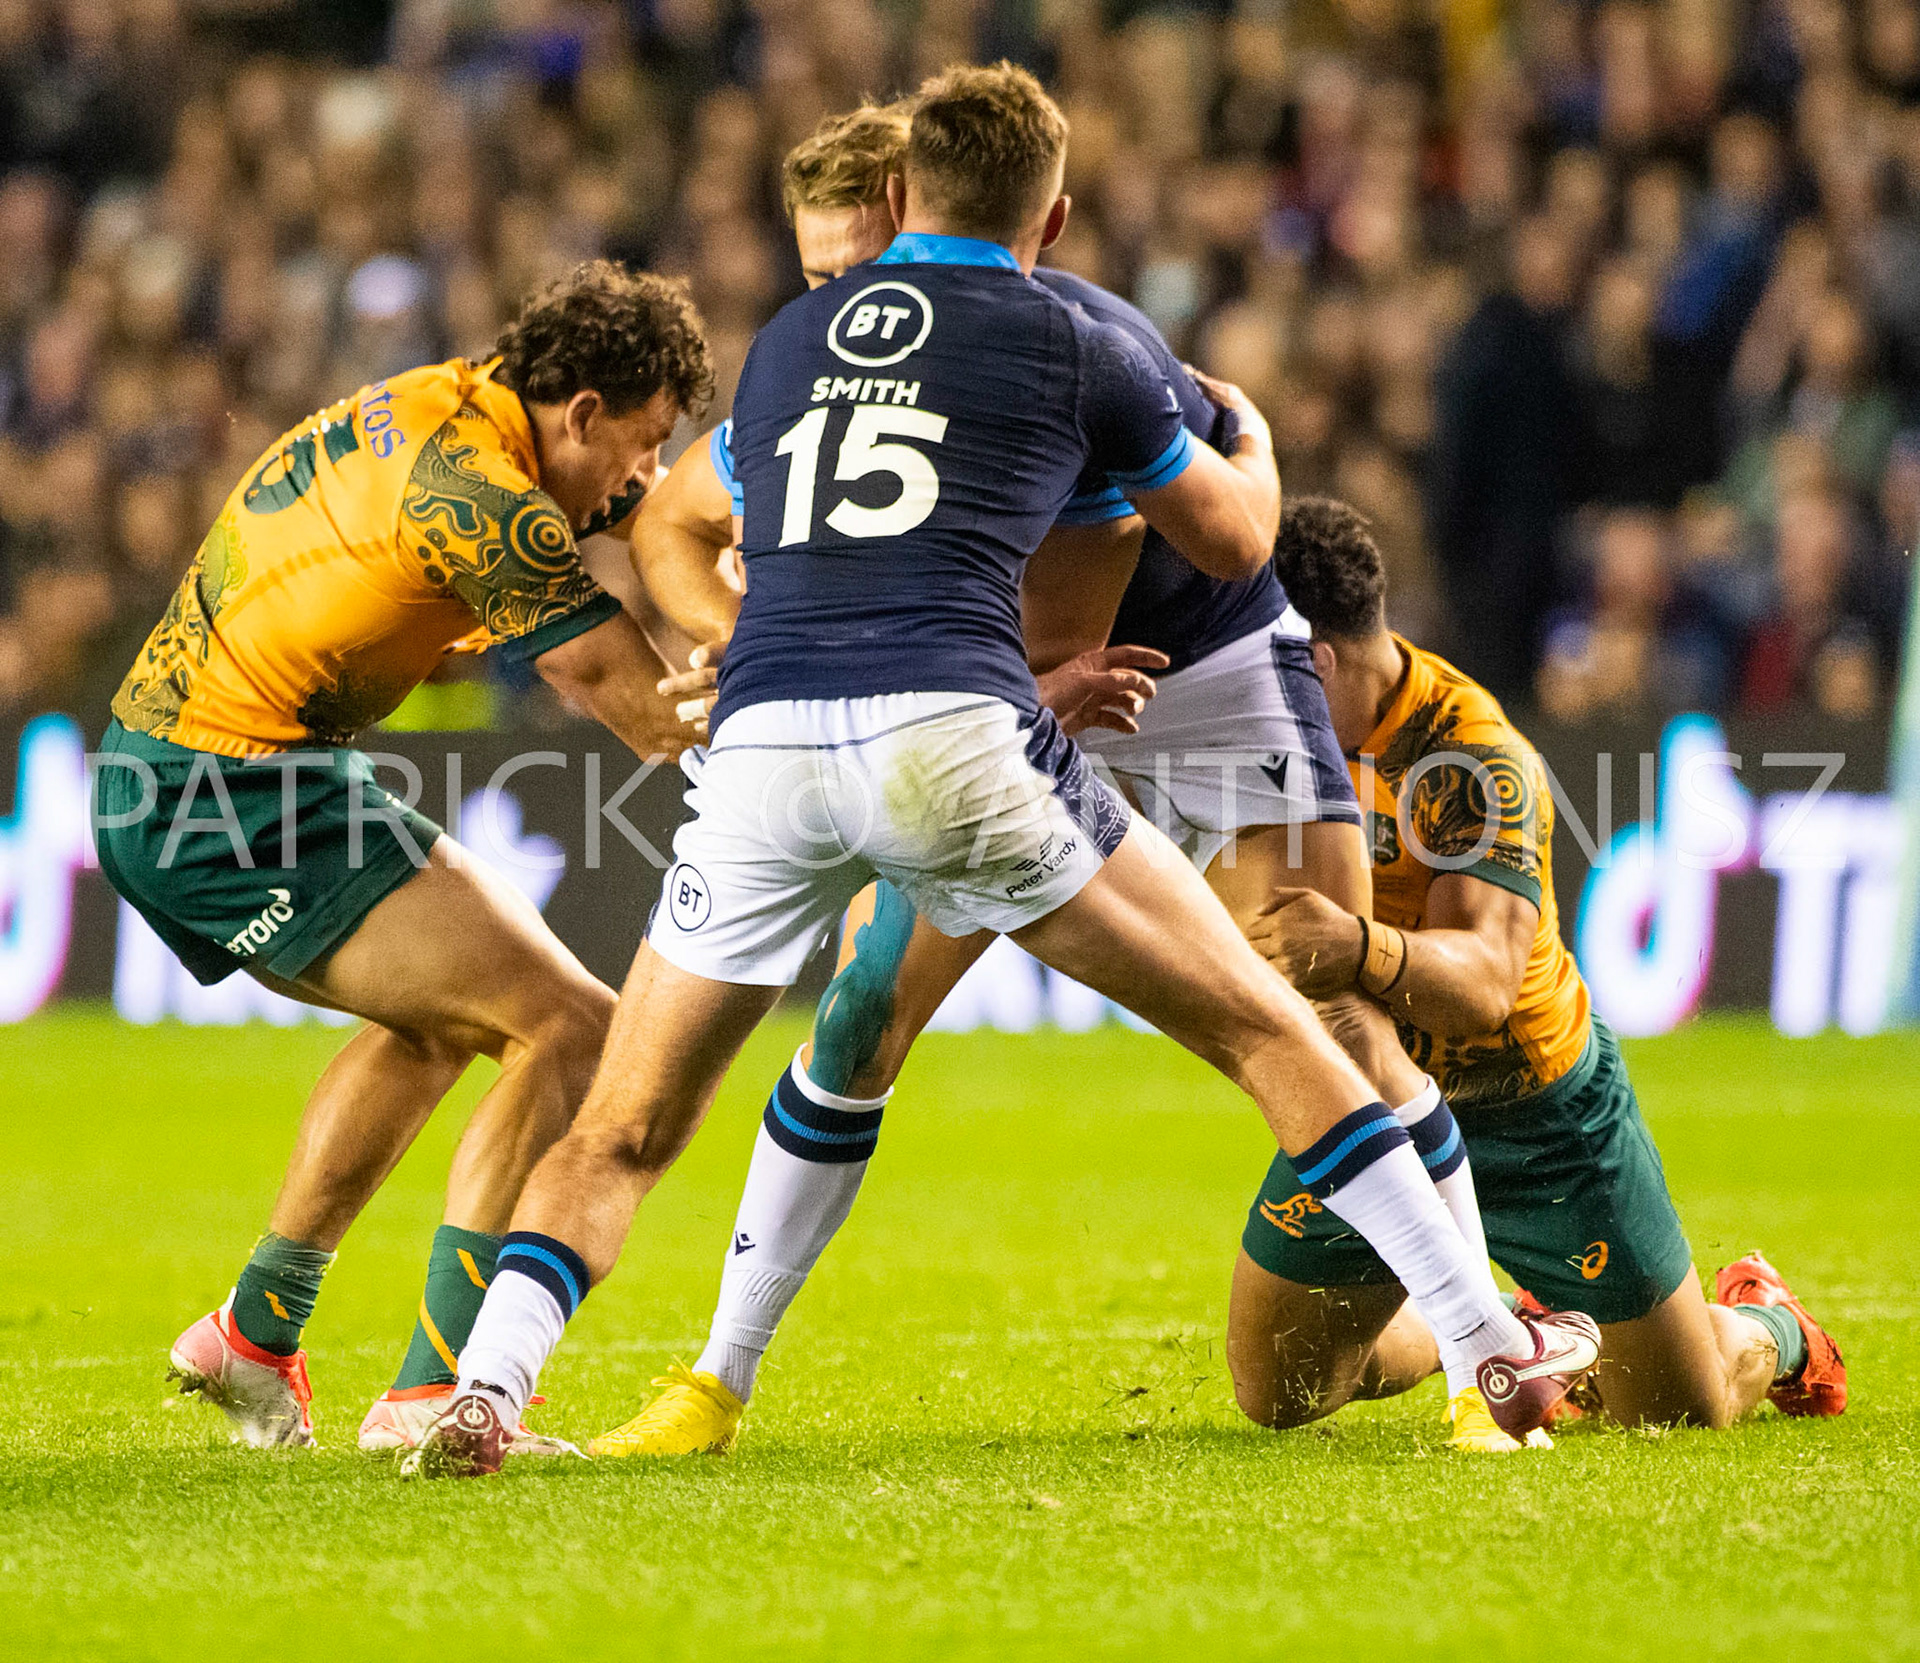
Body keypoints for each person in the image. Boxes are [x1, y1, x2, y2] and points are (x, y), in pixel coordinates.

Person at [409, 63, 1596, 1479]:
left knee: (1320, 993)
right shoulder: (1034, 346)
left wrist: (776, 650)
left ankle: (487, 1385)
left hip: (1184, 673)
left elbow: (1173, 579)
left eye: (856, 256)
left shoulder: (834, 345)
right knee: (1085, 1021)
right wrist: (1257, 453)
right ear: (1047, 210)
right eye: (822, 272)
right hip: (969, 712)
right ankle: (1492, 1346)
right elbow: (695, 525)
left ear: (904, 200)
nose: (847, 292)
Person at [92, 261, 714, 1450]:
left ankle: (255, 1333)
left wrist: (637, 521)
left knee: (440, 1024)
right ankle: (431, 1391)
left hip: (222, 762)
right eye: (641, 446)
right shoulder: (478, 492)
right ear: (582, 411)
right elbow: (635, 703)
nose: (642, 478)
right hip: (220, 793)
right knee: (570, 1029)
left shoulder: (446, 406)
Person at [1230, 497, 1845, 1435]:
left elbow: (1482, 987)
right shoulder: (1281, 744)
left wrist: (1353, 946)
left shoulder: (1475, 758)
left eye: (1266, 670)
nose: (1252, 698)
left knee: (1684, 1410)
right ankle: (1503, 1332)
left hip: (1534, 1109)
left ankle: (1771, 1320)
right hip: (1375, 1101)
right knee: (1283, 1389)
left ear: (1316, 661)